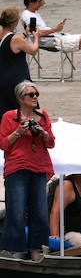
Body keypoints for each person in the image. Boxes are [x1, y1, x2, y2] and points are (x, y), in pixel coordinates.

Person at [0, 80, 54, 260]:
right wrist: (18, 132)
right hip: (17, 168)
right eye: (31, 95)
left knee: (39, 212)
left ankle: (35, 249)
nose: (35, 97)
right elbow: (3, 144)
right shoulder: (9, 117)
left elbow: (51, 143)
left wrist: (44, 133)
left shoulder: (43, 116)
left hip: (39, 168)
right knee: (16, 210)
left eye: (36, 94)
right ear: (20, 98)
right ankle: (15, 249)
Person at [0, 7, 39, 116]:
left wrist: (25, 35)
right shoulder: (16, 39)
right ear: (14, 22)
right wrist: (36, 38)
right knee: (25, 111)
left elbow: (10, 42)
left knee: (5, 111)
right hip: (17, 79)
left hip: (3, 77)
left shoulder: (3, 35)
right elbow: (33, 50)